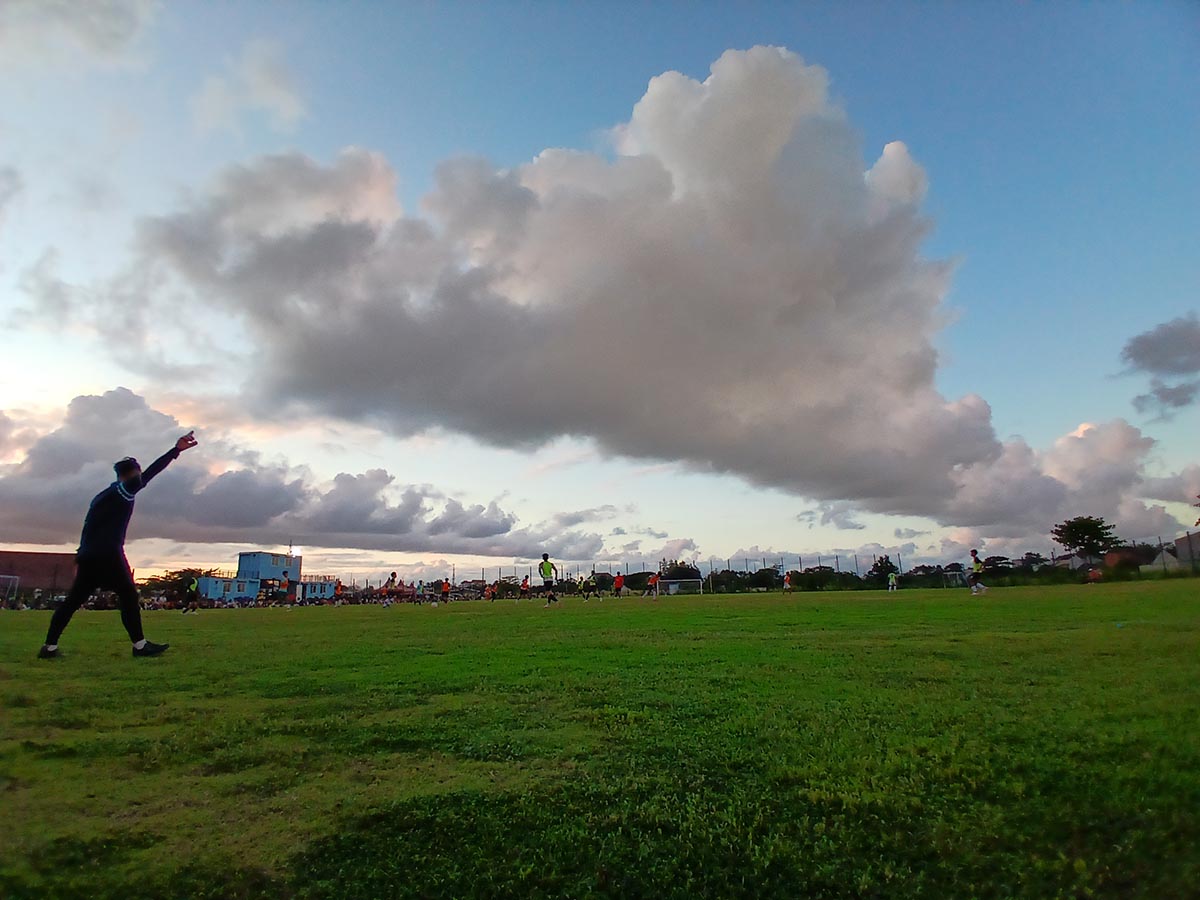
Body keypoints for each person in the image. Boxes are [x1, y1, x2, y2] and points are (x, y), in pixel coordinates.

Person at [39, 431, 198, 659]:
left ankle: (49, 647)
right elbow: (150, 475)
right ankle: (140, 645)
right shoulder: (123, 491)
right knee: (129, 595)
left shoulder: (103, 494)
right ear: (133, 474)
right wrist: (176, 451)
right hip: (108, 553)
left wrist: (81, 554)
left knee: (74, 600)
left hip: (88, 554)